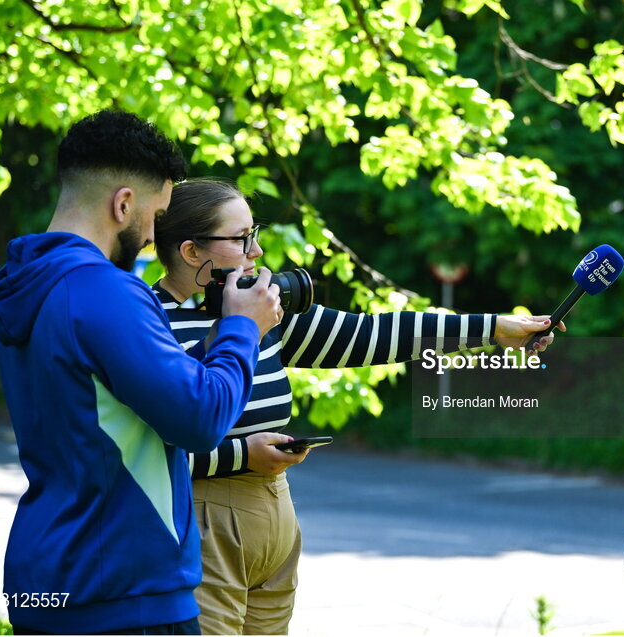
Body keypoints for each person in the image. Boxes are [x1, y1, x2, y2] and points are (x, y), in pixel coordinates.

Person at [152, 177, 563, 635]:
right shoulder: (148, 324)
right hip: (202, 523)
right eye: (241, 239)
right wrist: (242, 455)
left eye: (256, 235)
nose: (257, 252)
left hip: (275, 516)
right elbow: (146, 452)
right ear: (191, 252)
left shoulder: (254, 311)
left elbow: (371, 335)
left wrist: (491, 329)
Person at [0, 111, 285, 634]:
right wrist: (242, 328)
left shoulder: (26, 284)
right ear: (123, 204)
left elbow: (101, 415)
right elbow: (200, 419)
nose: (152, 236)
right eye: (155, 215)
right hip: (123, 592)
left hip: (50, 580)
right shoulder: (103, 290)